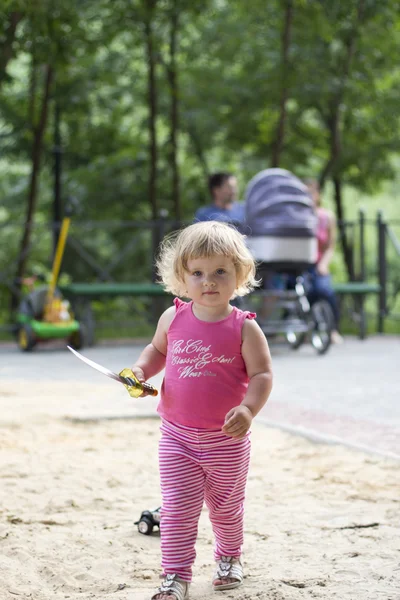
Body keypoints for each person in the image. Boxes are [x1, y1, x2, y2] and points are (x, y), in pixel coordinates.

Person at [131, 221, 273, 600]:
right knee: (177, 510)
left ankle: (229, 556)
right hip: (176, 437)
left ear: (239, 274)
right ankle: (175, 576)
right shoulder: (173, 318)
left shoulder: (244, 328)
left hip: (226, 441)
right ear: (182, 275)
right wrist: (140, 372)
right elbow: (157, 351)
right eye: (198, 273)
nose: (208, 281)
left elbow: (262, 374)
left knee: (225, 509)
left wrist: (248, 409)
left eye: (220, 272)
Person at [305, 179, 343, 344]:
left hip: (319, 263)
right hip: (301, 264)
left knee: (325, 291)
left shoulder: (327, 217)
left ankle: (333, 329)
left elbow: (330, 245)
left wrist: (324, 264)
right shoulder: (296, 216)